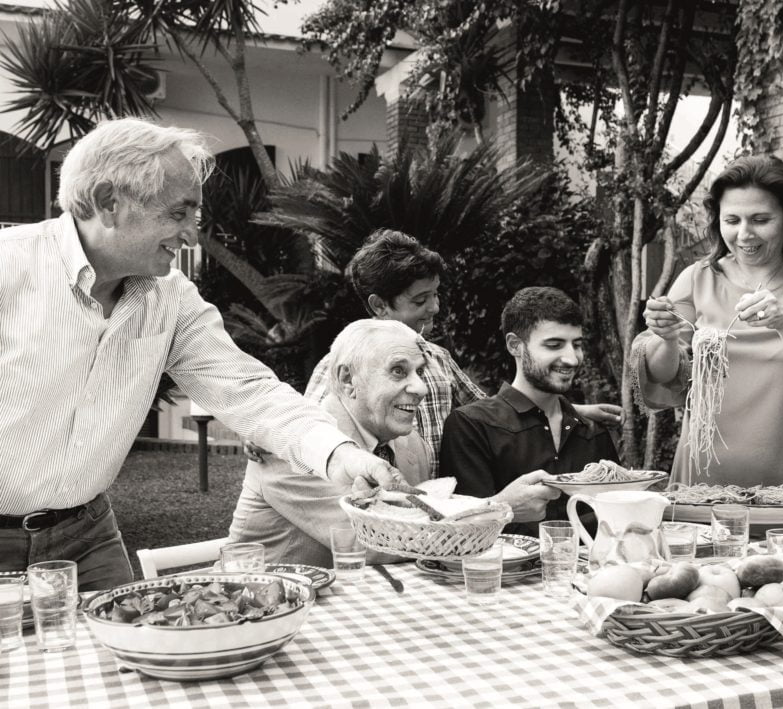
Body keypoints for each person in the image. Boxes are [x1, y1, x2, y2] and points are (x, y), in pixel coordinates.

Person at [0, 119, 396, 591]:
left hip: (87, 537)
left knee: (122, 641)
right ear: (108, 202)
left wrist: (339, 454)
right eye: (178, 213)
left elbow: (246, 390)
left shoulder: (170, 296)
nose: (191, 235)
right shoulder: (9, 266)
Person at [249, 229, 621, 475]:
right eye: (420, 300)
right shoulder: (342, 363)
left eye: (436, 294)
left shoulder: (439, 359)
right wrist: (266, 435)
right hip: (380, 496)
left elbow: (492, 409)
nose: (435, 308)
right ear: (379, 305)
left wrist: (569, 410)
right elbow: (310, 427)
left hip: (439, 497)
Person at [631, 154, 783, 529]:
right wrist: (666, 338)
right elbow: (664, 375)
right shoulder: (696, 278)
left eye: (760, 220)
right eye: (732, 220)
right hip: (705, 491)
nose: (744, 234)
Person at [229, 320, 560, 565]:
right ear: (348, 380)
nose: (421, 388)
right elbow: (375, 544)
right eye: (399, 372)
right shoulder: (299, 445)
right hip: (275, 614)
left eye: (420, 372)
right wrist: (498, 508)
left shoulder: (410, 444)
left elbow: (425, 523)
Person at [439, 287, 620, 536]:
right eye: (554, 345)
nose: (572, 359)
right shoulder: (471, 426)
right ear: (515, 345)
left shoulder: (592, 430)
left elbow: (617, 518)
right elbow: (459, 532)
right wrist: (503, 508)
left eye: (577, 345)